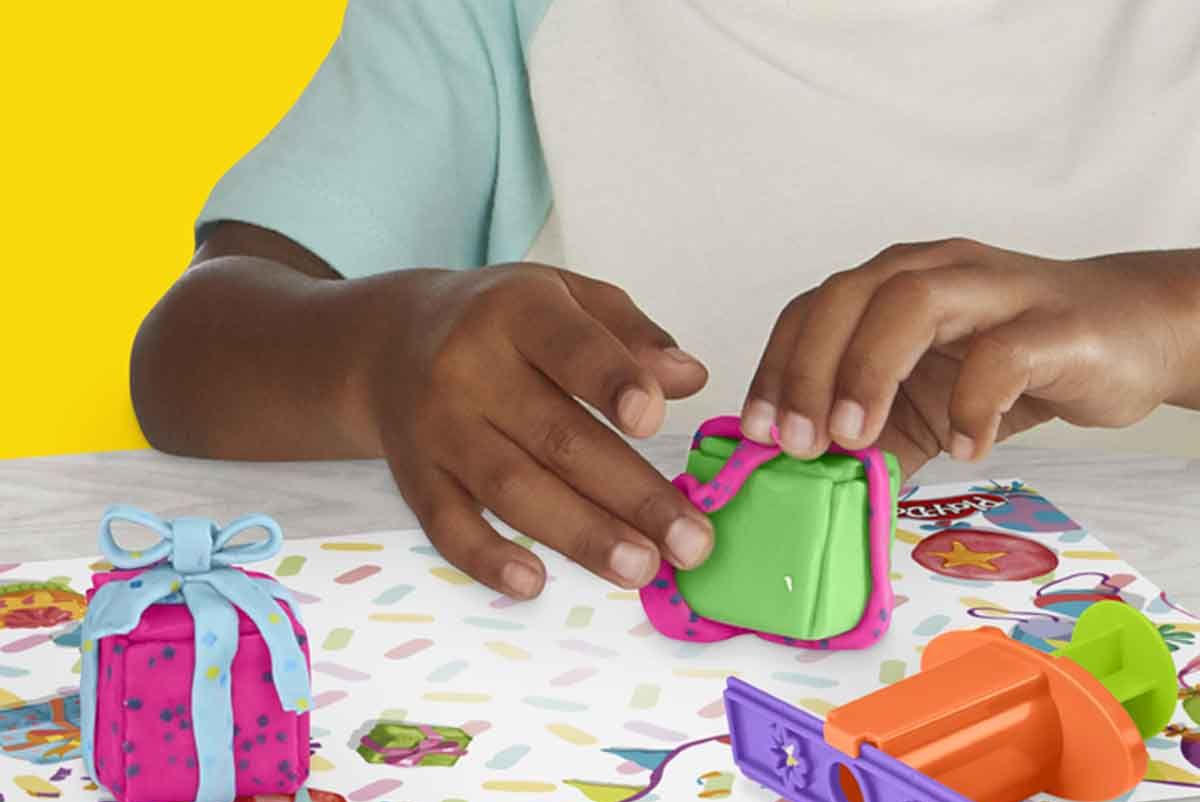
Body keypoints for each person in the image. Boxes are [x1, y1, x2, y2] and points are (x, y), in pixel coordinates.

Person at [132, 0, 1200, 601]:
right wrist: (383, 353)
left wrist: (1175, 320)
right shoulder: (513, 18)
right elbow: (191, 351)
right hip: (638, 776)